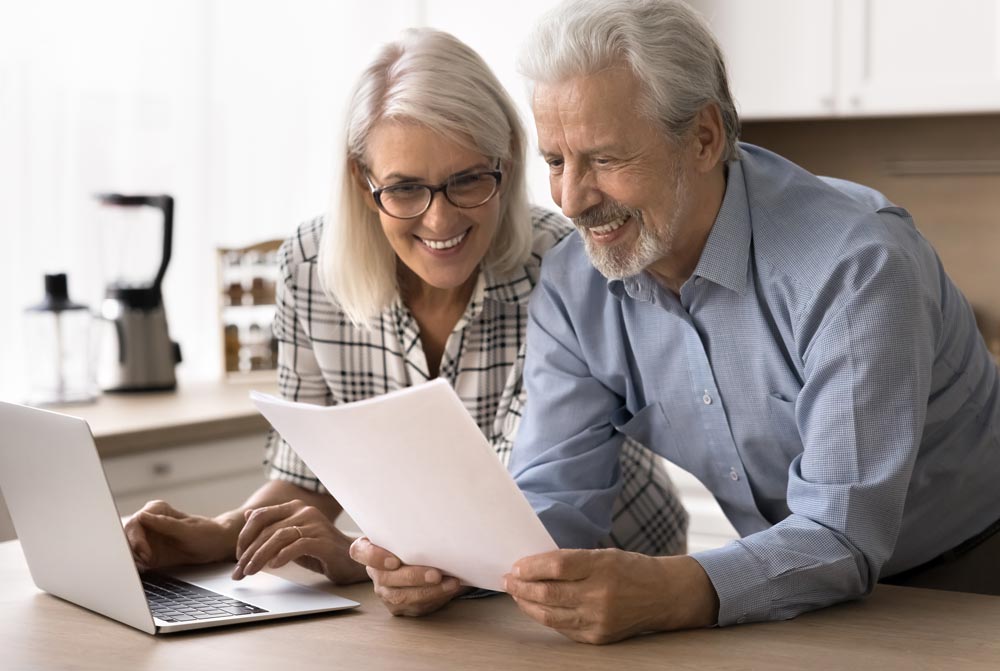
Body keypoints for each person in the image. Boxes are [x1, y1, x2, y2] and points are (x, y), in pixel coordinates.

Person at [481, 0, 1000, 644]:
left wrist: (672, 587)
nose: (572, 199)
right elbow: (554, 499)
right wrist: (460, 563)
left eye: (606, 159)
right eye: (556, 161)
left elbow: (842, 530)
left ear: (703, 138)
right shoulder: (573, 284)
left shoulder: (853, 265)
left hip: (972, 578)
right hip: (787, 585)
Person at [123, 27, 687, 610]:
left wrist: (350, 556)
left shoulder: (565, 268)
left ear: (508, 163)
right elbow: (308, 478)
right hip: (460, 598)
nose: (439, 220)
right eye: (405, 188)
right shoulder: (310, 266)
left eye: (468, 179)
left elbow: (517, 522)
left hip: (617, 575)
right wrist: (218, 536)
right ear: (362, 185)